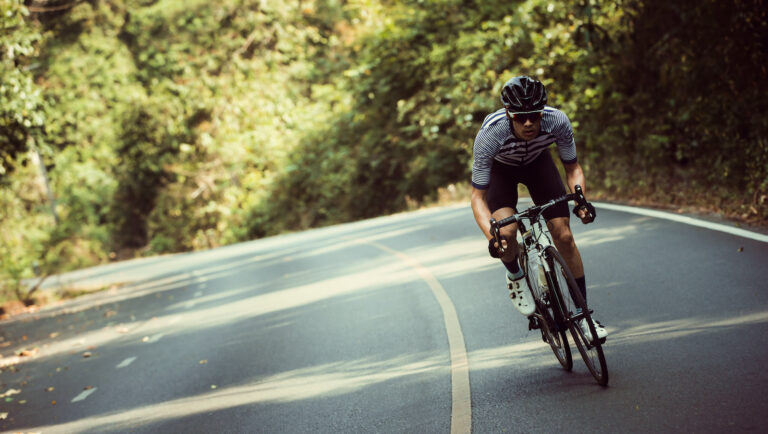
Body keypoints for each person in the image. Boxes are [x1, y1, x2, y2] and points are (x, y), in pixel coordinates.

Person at [470, 75, 606, 340]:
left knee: (564, 235)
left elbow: (573, 168)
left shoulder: (557, 121)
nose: (529, 122)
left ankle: (583, 316)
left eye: (534, 115)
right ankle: (516, 275)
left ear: (542, 111)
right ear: (509, 114)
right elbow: (477, 198)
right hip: (502, 171)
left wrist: (580, 201)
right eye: (521, 117)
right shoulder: (490, 134)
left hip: (538, 164)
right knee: (507, 235)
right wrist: (493, 236)